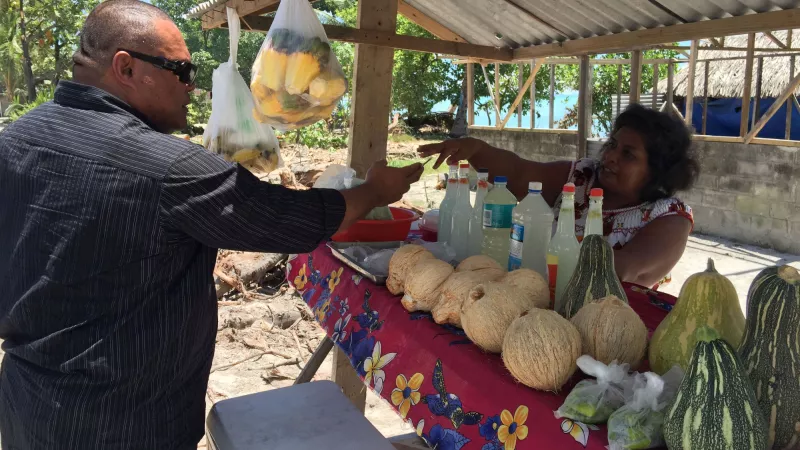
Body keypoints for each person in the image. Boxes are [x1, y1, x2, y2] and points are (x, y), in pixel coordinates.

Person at [0, 1, 422, 449]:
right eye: (181, 71)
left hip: (27, 407)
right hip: (125, 422)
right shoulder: (171, 168)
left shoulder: (15, 141)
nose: (192, 87)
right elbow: (290, 222)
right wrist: (376, 191)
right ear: (125, 67)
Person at [419, 104, 699, 288]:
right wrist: (476, 150)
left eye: (628, 154)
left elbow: (622, 269)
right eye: (612, 144)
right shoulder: (580, 178)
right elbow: (518, 172)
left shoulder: (670, 218)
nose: (611, 156)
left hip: (608, 330)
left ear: (657, 170)